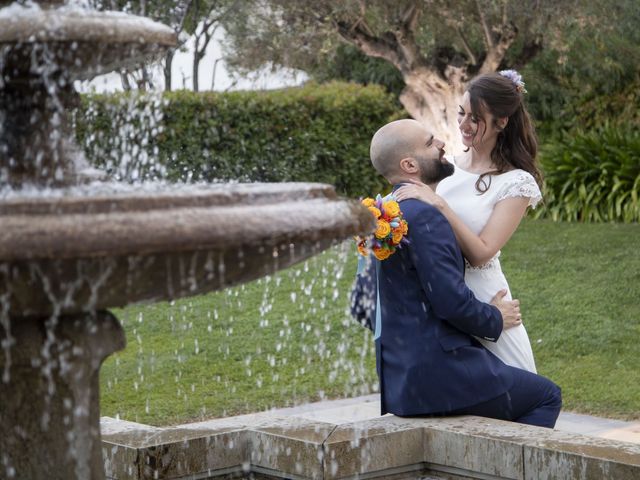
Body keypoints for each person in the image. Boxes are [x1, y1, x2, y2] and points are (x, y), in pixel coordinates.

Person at [351, 118, 561, 428]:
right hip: (442, 375)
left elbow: (361, 306)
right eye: (429, 142)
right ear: (410, 164)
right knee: (546, 396)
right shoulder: (424, 216)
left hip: (400, 382)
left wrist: (409, 337)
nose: (441, 144)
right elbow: (450, 301)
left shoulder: (383, 215)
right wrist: (497, 318)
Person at [394, 71, 540, 373]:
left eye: (475, 118)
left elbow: (482, 251)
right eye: (461, 113)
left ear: (502, 122)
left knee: (516, 389)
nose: (463, 124)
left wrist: (441, 205)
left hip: (487, 299)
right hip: (442, 295)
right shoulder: (447, 166)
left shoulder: (516, 182)